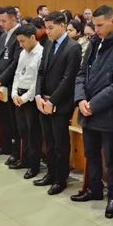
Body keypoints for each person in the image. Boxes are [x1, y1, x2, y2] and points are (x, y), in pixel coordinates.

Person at [72, 5, 113, 217]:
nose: (97, 29)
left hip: (108, 112)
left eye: (100, 25)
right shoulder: (94, 42)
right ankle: (95, 189)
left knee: (110, 157)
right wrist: (81, 99)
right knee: (91, 153)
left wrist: (93, 104)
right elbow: (81, 74)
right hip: (88, 108)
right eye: (95, 25)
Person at [34, 12, 82, 195]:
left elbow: (68, 79)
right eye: (46, 27)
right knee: (48, 141)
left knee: (60, 144)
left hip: (60, 104)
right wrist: (38, 95)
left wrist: (52, 100)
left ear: (62, 26)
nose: (48, 31)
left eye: (51, 27)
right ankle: (51, 173)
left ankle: (60, 179)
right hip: (44, 101)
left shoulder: (73, 47)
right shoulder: (48, 44)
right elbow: (40, 72)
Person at [10, 23, 44, 178]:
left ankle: (34, 165)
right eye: (19, 41)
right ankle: (24, 159)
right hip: (19, 95)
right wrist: (14, 93)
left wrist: (24, 98)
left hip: (30, 98)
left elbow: (37, 81)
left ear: (32, 37)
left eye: (23, 41)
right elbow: (18, 74)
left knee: (33, 133)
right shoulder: (23, 53)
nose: (20, 44)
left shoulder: (40, 53)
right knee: (22, 131)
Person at [0, 7, 22, 162]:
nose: (0, 24)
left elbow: (15, 62)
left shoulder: (20, 35)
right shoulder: (3, 35)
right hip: (0, 84)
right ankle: (5, 146)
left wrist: (1, 79)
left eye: (4, 21)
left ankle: (16, 152)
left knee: (13, 119)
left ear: (13, 19)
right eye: (0, 20)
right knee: (3, 117)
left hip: (11, 84)